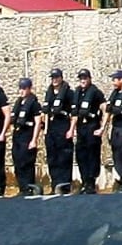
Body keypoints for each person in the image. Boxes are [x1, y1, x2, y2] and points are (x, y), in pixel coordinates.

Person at [42, 67, 76, 195]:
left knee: (64, 157)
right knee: (52, 157)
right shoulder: (49, 92)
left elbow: (74, 113)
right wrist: (45, 129)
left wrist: (71, 129)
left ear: (61, 78)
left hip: (63, 125)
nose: (54, 80)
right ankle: (54, 184)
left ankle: (65, 185)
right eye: (52, 78)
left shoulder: (68, 93)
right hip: (51, 127)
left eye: (56, 77)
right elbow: (45, 112)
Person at [72, 68, 106, 193]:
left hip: (92, 127)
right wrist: (72, 129)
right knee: (81, 155)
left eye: (85, 78)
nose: (83, 81)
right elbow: (75, 113)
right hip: (81, 128)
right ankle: (84, 181)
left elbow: (105, 108)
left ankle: (91, 182)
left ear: (89, 79)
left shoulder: (96, 92)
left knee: (92, 154)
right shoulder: (77, 92)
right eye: (81, 78)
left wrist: (103, 127)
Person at [10, 76, 42, 196]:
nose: (21, 91)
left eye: (24, 88)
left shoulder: (34, 104)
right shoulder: (18, 102)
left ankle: (29, 187)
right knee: (17, 162)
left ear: (29, 89)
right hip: (17, 136)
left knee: (26, 162)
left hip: (27, 136)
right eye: (20, 88)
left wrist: (34, 140)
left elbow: (38, 123)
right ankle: (22, 188)